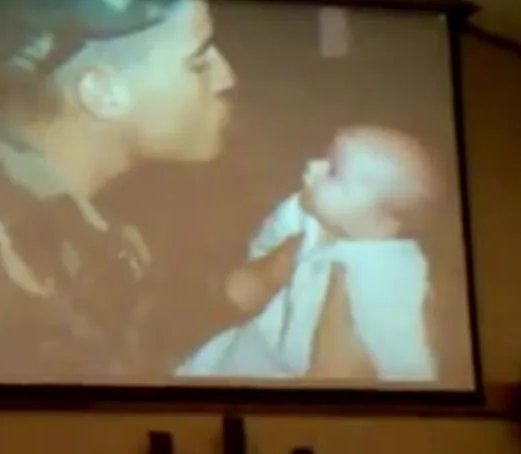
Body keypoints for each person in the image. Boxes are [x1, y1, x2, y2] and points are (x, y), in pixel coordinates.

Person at [0, 0, 241, 383]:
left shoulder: (76, 211)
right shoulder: (7, 253)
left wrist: (251, 288)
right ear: (102, 93)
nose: (227, 76)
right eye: (198, 63)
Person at [176, 126, 440, 382]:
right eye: (325, 155)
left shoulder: (391, 271)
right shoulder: (305, 211)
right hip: (253, 340)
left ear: (380, 223)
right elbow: (263, 246)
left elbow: (403, 351)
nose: (313, 166)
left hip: (292, 372)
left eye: (333, 172)